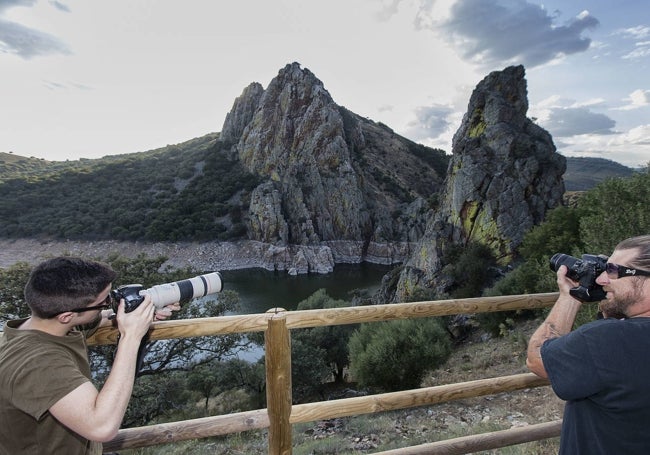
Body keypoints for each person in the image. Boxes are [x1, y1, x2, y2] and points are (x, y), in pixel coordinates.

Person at [0, 257, 180, 454]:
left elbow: (99, 318)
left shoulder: (38, 328)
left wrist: (137, 312)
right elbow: (101, 427)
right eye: (104, 302)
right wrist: (131, 335)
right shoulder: (39, 363)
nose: (109, 304)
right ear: (67, 316)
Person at [527, 235, 650, 454]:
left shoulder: (605, 339)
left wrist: (571, 296)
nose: (602, 279)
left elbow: (536, 359)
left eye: (613, 271)